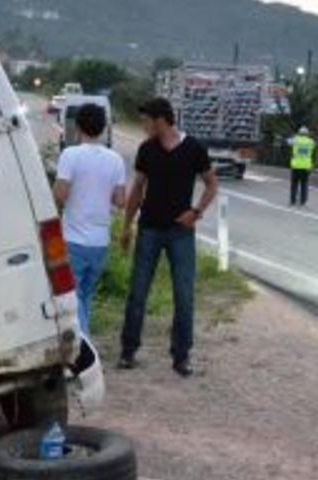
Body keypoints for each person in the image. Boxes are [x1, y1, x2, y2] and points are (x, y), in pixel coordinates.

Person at [118, 98, 218, 377]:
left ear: (160, 119)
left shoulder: (194, 148)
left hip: (181, 233)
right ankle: (128, 351)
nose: (143, 125)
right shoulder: (146, 149)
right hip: (149, 229)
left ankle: (182, 356)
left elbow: (211, 184)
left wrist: (196, 212)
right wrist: (127, 226)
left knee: (184, 296)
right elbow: (137, 189)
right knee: (138, 293)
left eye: (146, 120)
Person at [53, 104, 127, 336]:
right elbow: (120, 200)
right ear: (104, 127)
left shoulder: (70, 155)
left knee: (72, 299)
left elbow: (60, 194)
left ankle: (83, 347)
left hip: (74, 239)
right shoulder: (115, 159)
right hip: (100, 242)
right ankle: (83, 341)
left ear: (77, 127)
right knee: (85, 295)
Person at [290, 126, 316, 206]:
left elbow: (288, 142)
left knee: (294, 184)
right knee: (304, 184)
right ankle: (303, 201)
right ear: (307, 134)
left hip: (296, 165)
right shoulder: (311, 142)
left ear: (299, 133)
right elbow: (314, 148)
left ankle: (293, 200)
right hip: (306, 166)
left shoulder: (295, 140)